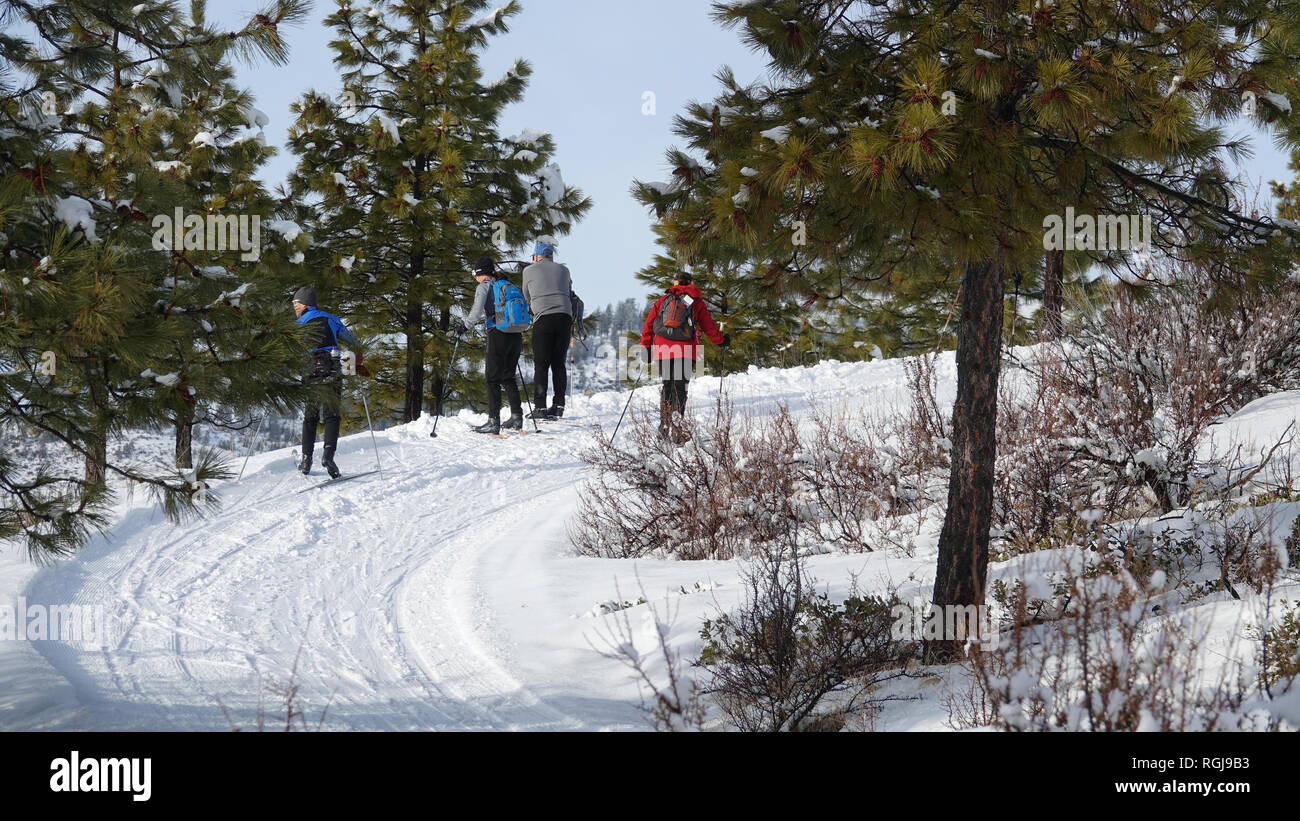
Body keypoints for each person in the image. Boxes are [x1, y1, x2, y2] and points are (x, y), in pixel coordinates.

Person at [640, 272, 728, 442]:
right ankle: (677, 430)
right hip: (685, 349)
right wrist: (721, 341)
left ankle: (664, 427)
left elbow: (649, 324)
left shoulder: (663, 300)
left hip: (663, 348)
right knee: (680, 388)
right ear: (690, 283)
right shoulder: (695, 301)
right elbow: (708, 326)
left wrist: (646, 347)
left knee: (667, 386)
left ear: (674, 283)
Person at [293, 285, 358, 477]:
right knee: (332, 416)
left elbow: (290, 352)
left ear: (304, 303)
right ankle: (328, 456)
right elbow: (353, 341)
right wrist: (352, 361)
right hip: (332, 371)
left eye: (296, 304)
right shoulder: (331, 319)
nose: (294, 308)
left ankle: (306, 460)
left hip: (310, 373)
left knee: (310, 417)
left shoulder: (298, 325)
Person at [458, 256, 525, 435]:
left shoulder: (484, 286)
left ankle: (493, 421)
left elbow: (477, 311)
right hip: (515, 334)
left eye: (475, 273)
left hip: (498, 334)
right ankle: (517, 417)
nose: (474, 277)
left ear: (481, 273)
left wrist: (464, 326)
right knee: (508, 376)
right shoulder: (506, 284)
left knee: (492, 378)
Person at [521, 241, 572, 419]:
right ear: (551, 256)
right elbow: (568, 290)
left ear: (536, 257)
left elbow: (526, 295)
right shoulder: (564, 270)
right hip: (565, 318)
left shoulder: (528, 270)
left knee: (541, 364)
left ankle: (540, 407)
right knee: (559, 363)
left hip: (544, 318)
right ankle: (558, 406)